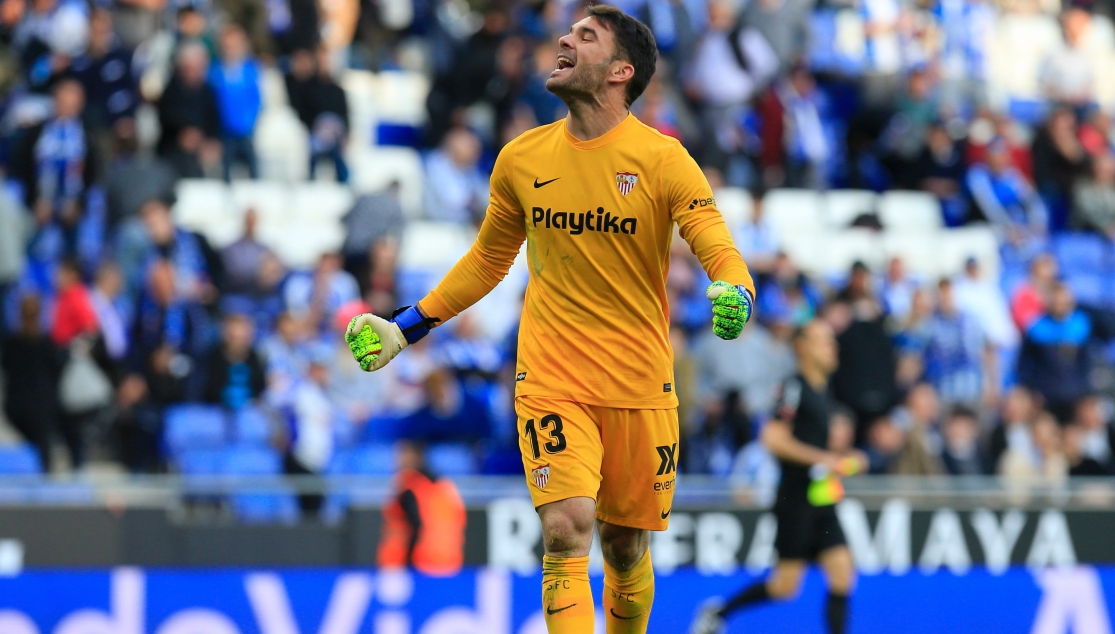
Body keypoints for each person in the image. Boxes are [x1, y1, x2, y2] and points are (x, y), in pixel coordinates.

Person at [345, 6, 756, 632]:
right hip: (551, 377)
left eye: (585, 36)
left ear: (621, 71)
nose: (564, 38)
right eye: (569, 30)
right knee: (566, 528)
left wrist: (735, 290)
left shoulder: (663, 160)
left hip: (639, 384)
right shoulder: (522, 158)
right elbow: (487, 261)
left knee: (624, 546)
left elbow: (718, 248)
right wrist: (405, 325)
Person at [690, 320, 863, 634]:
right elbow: (773, 439)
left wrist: (843, 457)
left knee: (842, 573)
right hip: (796, 501)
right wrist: (825, 459)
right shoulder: (793, 387)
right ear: (802, 347)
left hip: (822, 498)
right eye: (823, 340)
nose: (832, 347)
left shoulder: (822, 389)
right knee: (785, 585)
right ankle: (719, 613)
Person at [377, 440, 467, 575]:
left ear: (416, 457)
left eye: (401, 454)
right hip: (449, 563)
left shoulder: (410, 488)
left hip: (415, 566)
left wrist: (406, 566)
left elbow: (416, 527)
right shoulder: (446, 486)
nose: (397, 460)